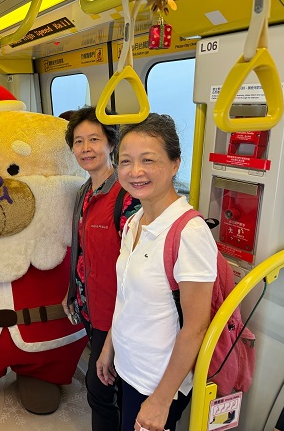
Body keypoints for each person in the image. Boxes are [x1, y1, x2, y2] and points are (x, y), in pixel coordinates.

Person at [97, 113, 216, 431]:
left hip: (157, 382)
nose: (135, 171)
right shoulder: (134, 221)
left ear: (175, 163)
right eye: (125, 161)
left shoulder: (189, 232)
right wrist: (109, 348)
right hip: (129, 366)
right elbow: (126, 297)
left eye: (148, 160)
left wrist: (162, 400)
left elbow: (196, 328)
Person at [62, 107, 140, 430]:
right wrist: (72, 291)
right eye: (78, 141)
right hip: (91, 307)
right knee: (106, 388)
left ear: (111, 143)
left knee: (100, 389)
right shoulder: (84, 191)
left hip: (116, 314)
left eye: (94, 139)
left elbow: (135, 266)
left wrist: (114, 327)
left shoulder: (126, 196)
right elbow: (83, 251)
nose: (86, 148)